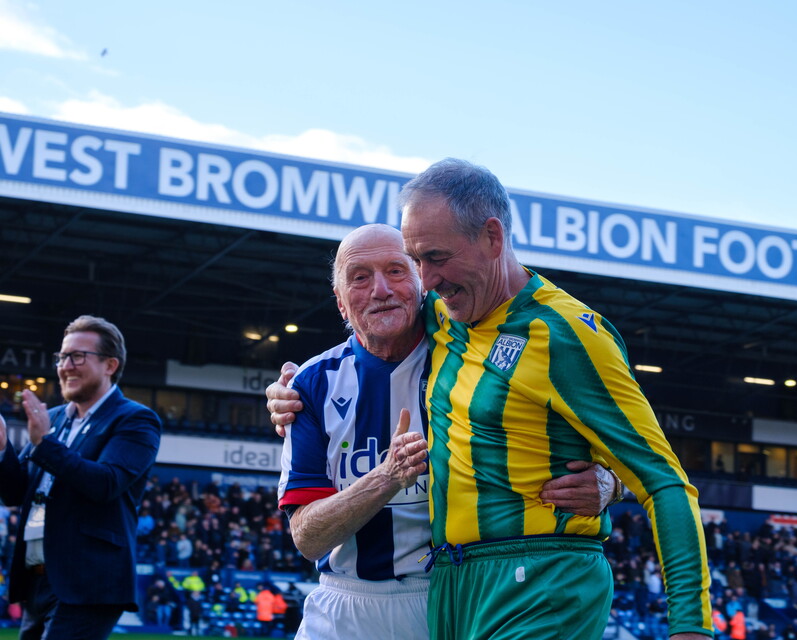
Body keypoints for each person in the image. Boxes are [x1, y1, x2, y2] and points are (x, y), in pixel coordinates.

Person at [398, 158, 711, 639]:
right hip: (452, 581)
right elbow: (369, 328)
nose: (426, 280)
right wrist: (297, 385)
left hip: (541, 577)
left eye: (437, 258)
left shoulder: (567, 336)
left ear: (493, 237)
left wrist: (691, 628)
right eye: (415, 260)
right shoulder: (441, 312)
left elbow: (665, 482)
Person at [267, 224, 616, 639]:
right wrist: (387, 477)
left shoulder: (473, 361)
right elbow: (307, 537)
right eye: (360, 277)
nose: (380, 289)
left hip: (447, 596)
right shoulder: (310, 384)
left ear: (423, 284)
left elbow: (583, 431)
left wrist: (613, 482)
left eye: (396, 271)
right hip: (342, 605)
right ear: (341, 303)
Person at [0, 315, 162, 640]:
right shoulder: (55, 418)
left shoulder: (135, 419)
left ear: (110, 365)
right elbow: (16, 493)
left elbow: (105, 483)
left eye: (77, 356)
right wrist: (2, 450)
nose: (65, 366)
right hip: (38, 574)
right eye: (62, 357)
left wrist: (44, 443)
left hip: (88, 579)